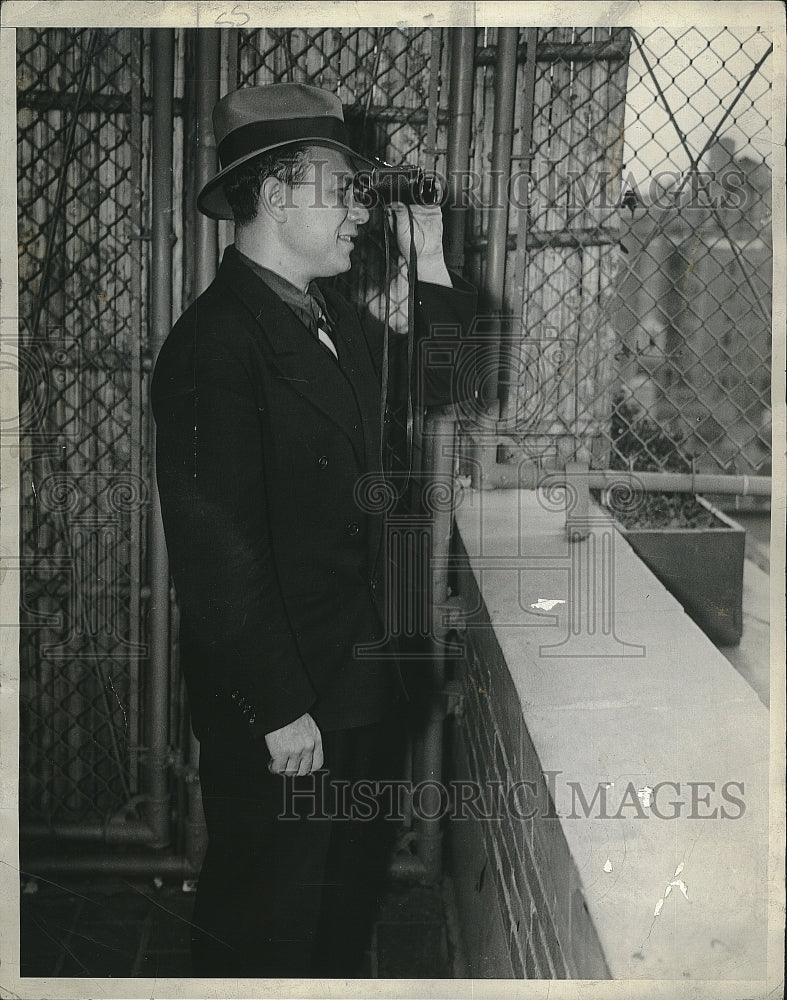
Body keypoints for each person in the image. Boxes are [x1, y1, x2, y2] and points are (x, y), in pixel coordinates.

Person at [151, 83, 476, 978]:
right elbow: (215, 551)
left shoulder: (329, 321)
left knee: (334, 910)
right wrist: (278, 706)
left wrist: (433, 260)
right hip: (286, 704)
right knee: (265, 921)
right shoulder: (213, 345)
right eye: (342, 190)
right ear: (274, 192)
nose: (360, 214)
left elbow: (442, 381)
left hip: (356, 683)